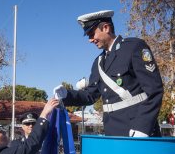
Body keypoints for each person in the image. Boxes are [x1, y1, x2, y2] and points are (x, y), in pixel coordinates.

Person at [54, 9, 164, 137]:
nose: (90, 39)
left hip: (138, 130)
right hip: (112, 132)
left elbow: (154, 90)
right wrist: (67, 95)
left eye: (91, 34)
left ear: (106, 28)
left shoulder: (133, 47)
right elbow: (90, 95)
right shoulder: (98, 62)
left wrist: (143, 127)